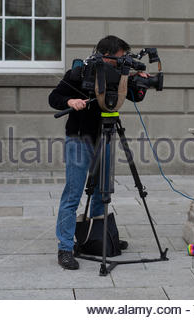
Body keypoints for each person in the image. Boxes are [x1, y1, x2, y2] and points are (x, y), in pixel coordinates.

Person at [49, 35, 147, 270]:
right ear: (107, 54)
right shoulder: (80, 72)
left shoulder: (121, 74)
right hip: (79, 139)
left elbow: (134, 96)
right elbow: (54, 97)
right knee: (73, 194)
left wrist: (142, 83)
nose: (123, 61)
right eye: (120, 57)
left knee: (103, 190)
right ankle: (65, 247)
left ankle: (97, 237)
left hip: (106, 138)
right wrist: (71, 101)